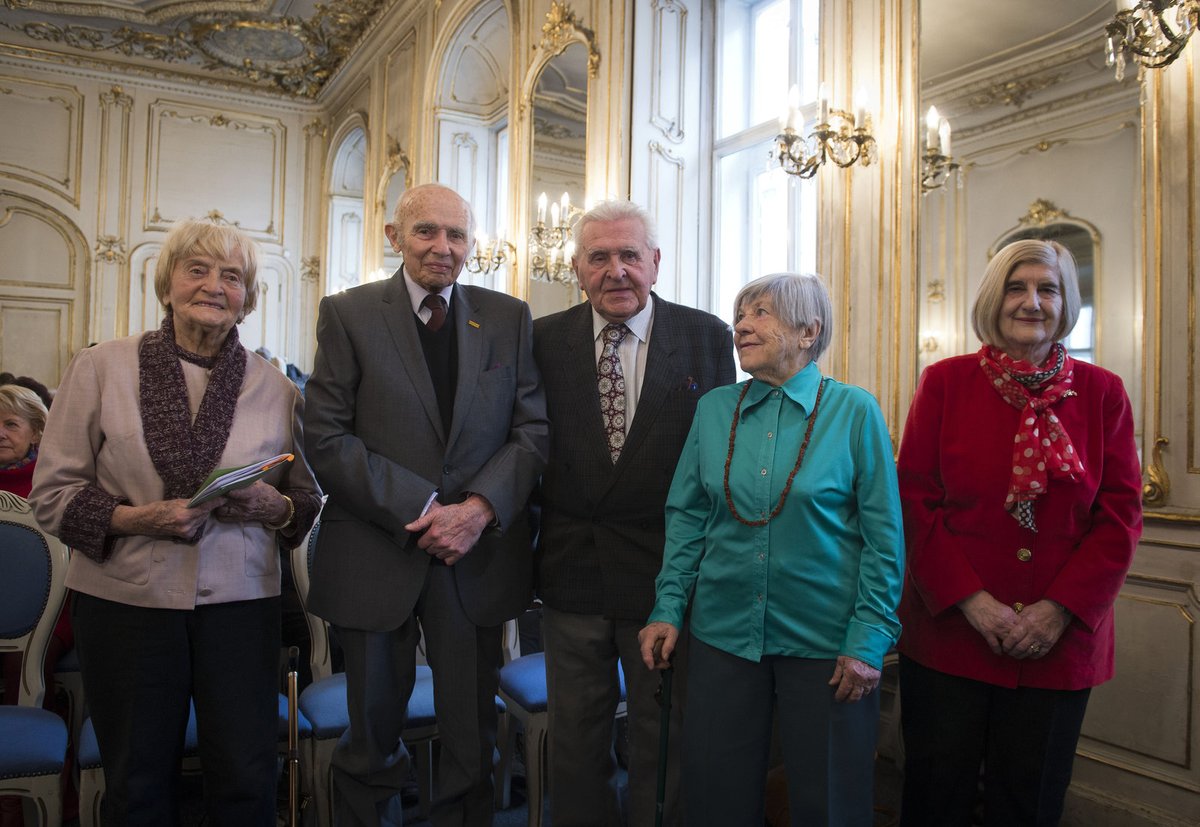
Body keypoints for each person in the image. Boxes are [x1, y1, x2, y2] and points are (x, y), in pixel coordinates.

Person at [30, 218, 321, 825]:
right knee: (138, 780)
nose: (214, 286)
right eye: (197, 270)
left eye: (232, 276)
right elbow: (52, 496)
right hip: (125, 605)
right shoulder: (100, 368)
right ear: (167, 285)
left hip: (241, 605)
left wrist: (279, 508)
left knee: (246, 777)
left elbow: (305, 504)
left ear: (248, 298)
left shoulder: (278, 389)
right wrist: (139, 518)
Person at [303, 182, 548, 827]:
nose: (444, 248)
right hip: (378, 554)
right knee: (370, 739)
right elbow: (325, 436)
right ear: (394, 237)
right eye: (427, 232)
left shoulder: (506, 317)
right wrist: (428, 506)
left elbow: (531, 433)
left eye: (458, 235)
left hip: (474, 559)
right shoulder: (349, 313)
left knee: (472, 738)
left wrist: (476, 511)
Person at [639, 272, 904, 827]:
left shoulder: (855, 412)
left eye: (759, 313)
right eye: (740, 314)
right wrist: (668, 608)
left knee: (829, 802)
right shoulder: (715, 409)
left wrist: (869, 639)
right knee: (715, 795)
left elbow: (884, 539)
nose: (740, 326)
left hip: (827, 645)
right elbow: (687, 518)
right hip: (722, 637)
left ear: (808, 331)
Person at [895, 239, 1142, 826]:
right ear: (993, 298)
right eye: (1016, 287)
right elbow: (914, 501)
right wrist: (973, 603)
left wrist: (1057, 610)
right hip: (951, 633)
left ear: (1065, 302)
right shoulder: (945, 383)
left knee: (1028, 804)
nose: (1031, 302)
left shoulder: (1103, 392)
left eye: (1047, 288)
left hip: (1058, 644)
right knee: (936, 797)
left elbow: (1120, 515)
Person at [533, 199, 734, 826]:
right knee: (577, 738)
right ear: (577, 268)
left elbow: (717, 456)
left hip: (665, 575)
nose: (616, 270)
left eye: (629, 255)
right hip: (573, 571)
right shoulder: (542, 340)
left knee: (663, 734)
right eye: (599, 257)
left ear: (655, 262)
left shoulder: (705, 337)